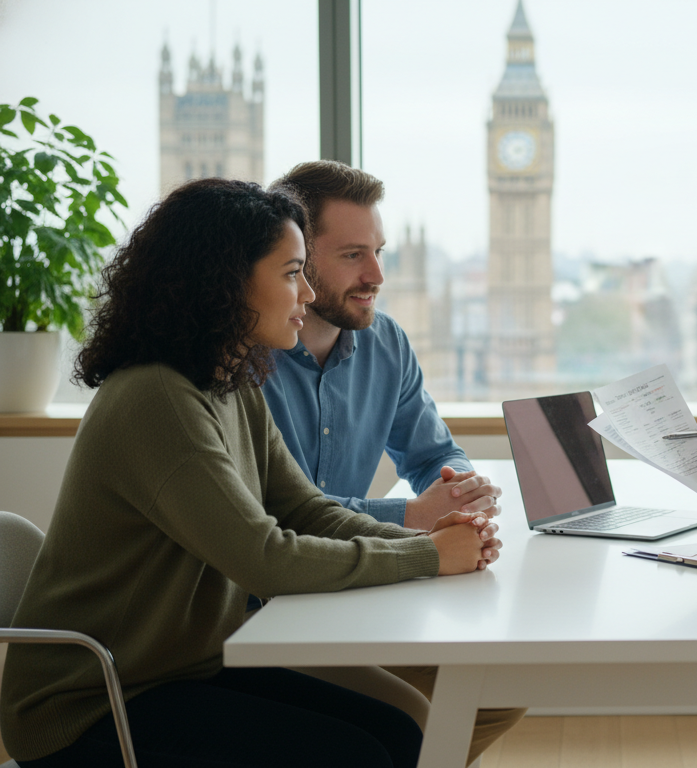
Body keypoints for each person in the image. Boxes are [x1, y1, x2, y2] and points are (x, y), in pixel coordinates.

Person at [0, 178, 497, 768]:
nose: (307, 293)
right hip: (92, 705)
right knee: (354, 754)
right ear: (227, 283)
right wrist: (431, 556)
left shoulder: (229, 382)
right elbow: (264, 557)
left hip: (180, 672)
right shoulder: (157, 399)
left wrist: (429, 540)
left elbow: (305, 510)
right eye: (292, 273)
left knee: (396, 733)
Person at [262, 160, 525, 752]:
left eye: (379, 251)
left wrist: (459, 492)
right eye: (353, 255)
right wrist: (409, 518)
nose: (377, 274)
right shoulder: (244, 362)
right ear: (299, 260)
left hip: (359, 587)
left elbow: (433, 452)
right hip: (269, 605)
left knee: (500, 685)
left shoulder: (386, 341)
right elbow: (278, 516)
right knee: (424, 717)